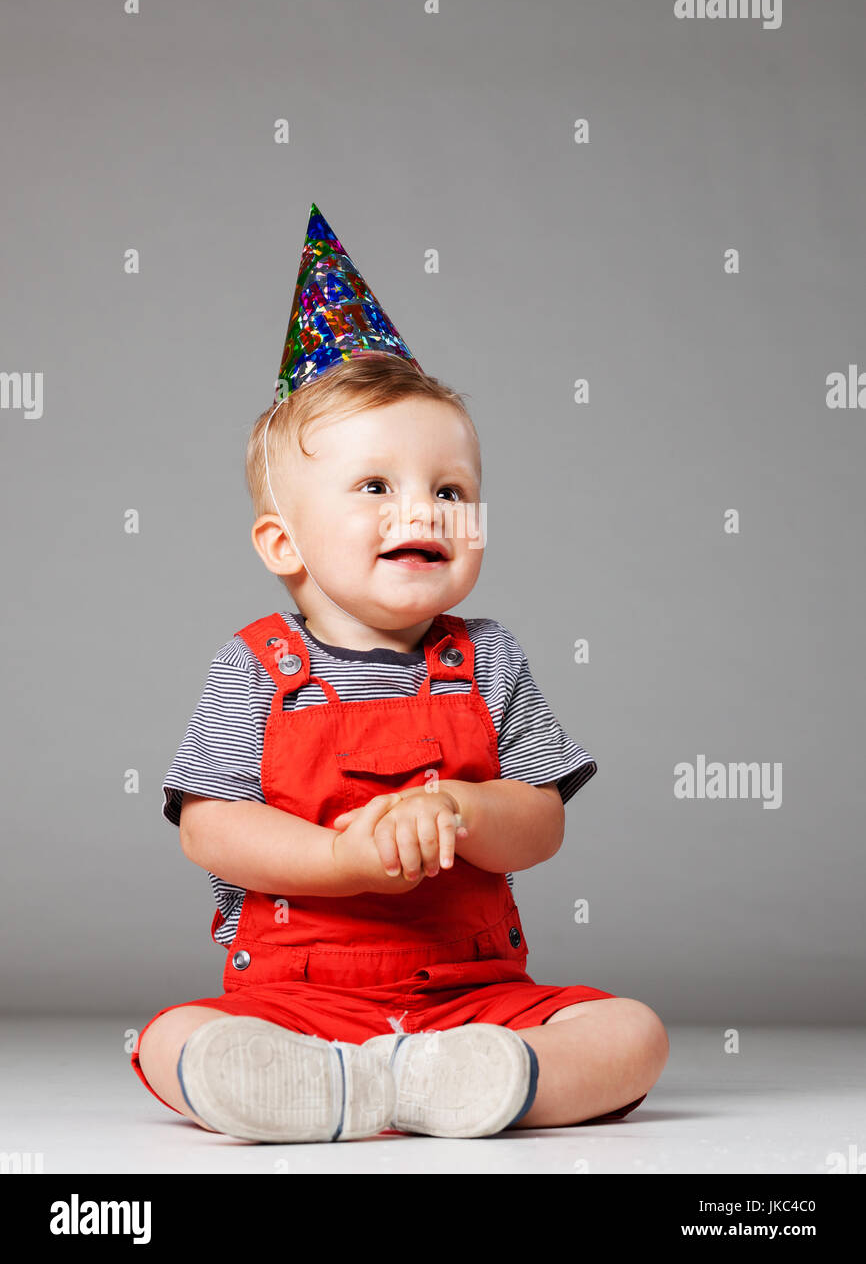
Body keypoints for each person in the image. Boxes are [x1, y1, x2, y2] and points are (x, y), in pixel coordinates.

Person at [131, 205, 669, 1142]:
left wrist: (460, 814)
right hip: (300, 1004)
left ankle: (453, 1082)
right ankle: (307, 1080)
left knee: (633, 1036)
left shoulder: (486, 657)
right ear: (282, 542)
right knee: (176, 1037)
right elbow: (210, 830)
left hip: (473, 1000)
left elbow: (540, 821)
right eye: (375, 486)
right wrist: (342, 857)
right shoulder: (257, 665)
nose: (419, 508)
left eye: (450, 490)